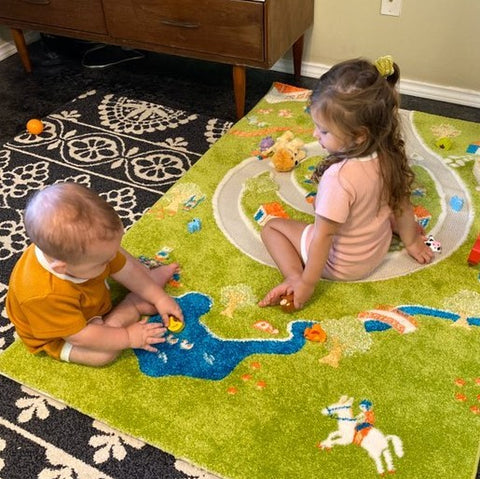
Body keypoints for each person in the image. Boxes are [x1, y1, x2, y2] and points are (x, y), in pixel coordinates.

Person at [259, 56, 433, 310]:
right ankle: (390, 230)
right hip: (376, 249)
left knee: (272, 228)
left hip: (342, 265)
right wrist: (412, 242)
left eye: (325, 131)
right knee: (387, 203)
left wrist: (306, 283)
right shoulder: (389, 152)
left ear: (360, 135)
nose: (315, 134)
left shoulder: (338, 178)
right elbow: (402, 203)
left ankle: (293, 275)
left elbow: (323, 237)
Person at [6, 182, 183, 367]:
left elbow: (127, 268)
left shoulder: (82, 254)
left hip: (86, 300)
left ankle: (141, 291)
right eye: (104, 261)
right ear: (62, 268)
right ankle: (132, 306)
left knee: (122, 260)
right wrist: (129, 337)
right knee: (103, 356)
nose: (112, 260)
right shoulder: (43, 294)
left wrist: (159, 298)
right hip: (61, 334)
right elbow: (80, 338)